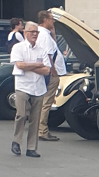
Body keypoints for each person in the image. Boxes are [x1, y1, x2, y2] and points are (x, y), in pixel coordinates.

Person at [9, 22, 51, 158]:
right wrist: (36, 64)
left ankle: (31, 147)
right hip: (22, 85)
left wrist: (29, 66)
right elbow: (19, 64)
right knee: (21, 114)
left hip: (38, 87)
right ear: (25, 33)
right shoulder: (18, 47)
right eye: (32, 32)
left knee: (35, 118)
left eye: (36, 32)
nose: (34, 34)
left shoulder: (42, 49)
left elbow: (46, 70)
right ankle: (16, 141)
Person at [34, 11, 65, 142]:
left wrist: (52, 32)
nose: (53, 22)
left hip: (44, 71)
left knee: (42, 101)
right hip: (50, 72)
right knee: (46, 102)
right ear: (45, 20)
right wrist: (53, 71)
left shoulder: (43, 34)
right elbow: (49, 55)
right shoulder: (45, 36)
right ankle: (42, 130)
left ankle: (39, 129)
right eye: (51, 19)